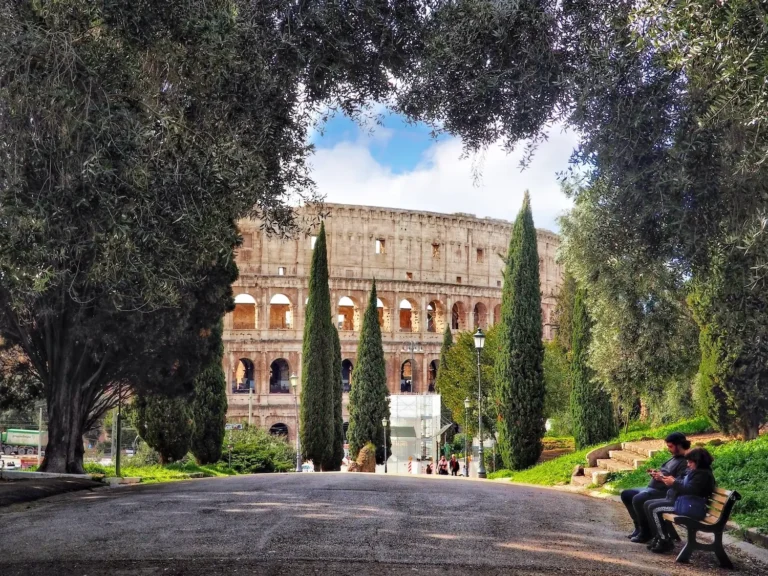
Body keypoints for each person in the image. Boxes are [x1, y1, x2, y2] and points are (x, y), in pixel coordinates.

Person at [620, 432, 691, 543]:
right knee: (626, 494)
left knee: (638, 498)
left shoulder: (685, 461)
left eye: (670, 446)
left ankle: (646, 532)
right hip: (652, 488)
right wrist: (656, 474)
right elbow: (667, 473)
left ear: (679, 445)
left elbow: (679, 481)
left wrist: (662, 477)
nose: (669, 449)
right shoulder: (673, 458)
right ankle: (638, 527)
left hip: (664, 492)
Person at [643, 448, 716, 554]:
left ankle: (664, 540)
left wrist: (674, 483)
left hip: (690, 507)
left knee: (654, 509)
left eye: (690, 462)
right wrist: (669, 479)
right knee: (648, 504)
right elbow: (684, 483)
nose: (688, 464)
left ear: (698, 462)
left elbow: (691, 490)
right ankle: (659, 536)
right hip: (683, 502)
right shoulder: (695, 471)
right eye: (688, 461)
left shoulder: (703, 474)